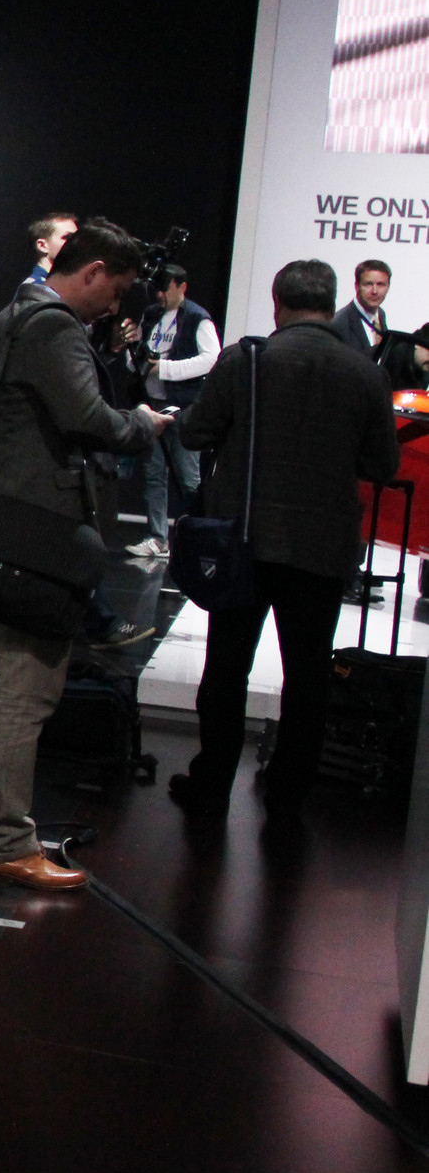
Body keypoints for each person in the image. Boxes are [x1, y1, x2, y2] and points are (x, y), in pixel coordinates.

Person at [0, 222, 166, 890]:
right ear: (93, 271)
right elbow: (88, 419)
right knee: (25, 690)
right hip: (39, 532)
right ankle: (5, 840)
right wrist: (143, 425)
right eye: (116, 290)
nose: (115, 306)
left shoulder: (8, 316)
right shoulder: (56, 328)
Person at [170, 260, 403, 813]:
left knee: (227, 669)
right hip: (322, 548)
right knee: (308, 677)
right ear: (331, 304)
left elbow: (196, 431)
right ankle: (288, 794)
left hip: (244, 541)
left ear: (277, 304)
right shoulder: (365, 373)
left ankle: (211, 785)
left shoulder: (245, 361)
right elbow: (383, 465)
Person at [125, 263, 221, 561]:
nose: (159, 294)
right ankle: (158, 538)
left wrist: (164, 368)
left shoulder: (197, 318)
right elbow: (138, 355)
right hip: (152, 404)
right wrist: (136, 359)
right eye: (157, 288)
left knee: (188, 480)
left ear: (182, 287)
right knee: (154, 475)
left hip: (183, 408)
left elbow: (211, 359)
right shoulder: (152, 315)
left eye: (165, 288)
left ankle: (194, 539)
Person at [330, 259, 394, 357]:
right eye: (368, 284)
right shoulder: (339, 323)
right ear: (357, 286)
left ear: (388, 287)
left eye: (380, 284)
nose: (375, 291)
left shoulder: (380, 314)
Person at [24, 211, 77, 283]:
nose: (76, 242)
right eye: (67, 237)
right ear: (42, 246)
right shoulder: (35, 287)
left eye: (77, 237)